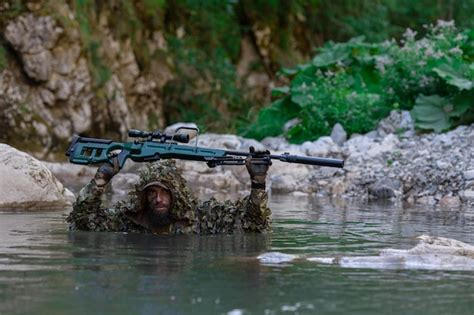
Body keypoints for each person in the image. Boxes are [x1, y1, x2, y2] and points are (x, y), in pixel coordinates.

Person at [67, 151, 271, 234]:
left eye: (165, 192)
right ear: (143, 197)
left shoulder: (201, 219)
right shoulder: (129, 221)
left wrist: (258, 183)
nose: (158, 199)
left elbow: (253, 225)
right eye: (152, 193)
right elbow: (82, 220)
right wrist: (102, 178)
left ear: (176, 195)